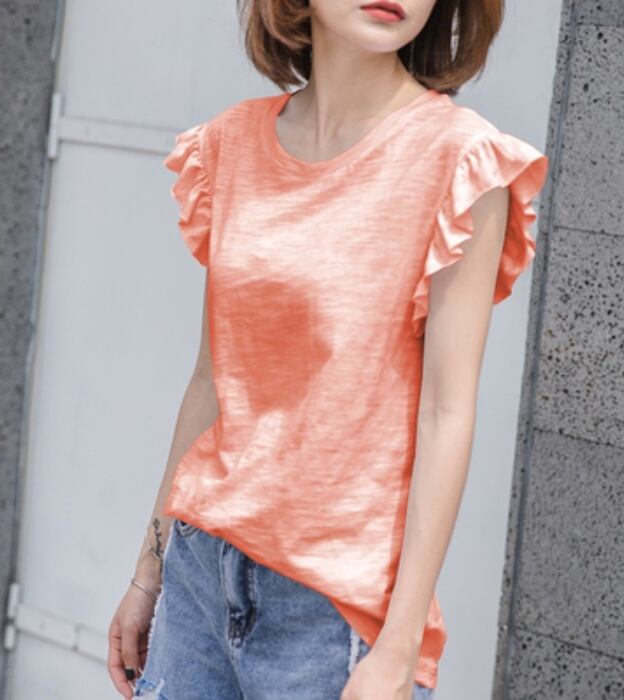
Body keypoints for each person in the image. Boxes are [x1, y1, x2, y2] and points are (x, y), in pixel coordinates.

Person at [107, 0, 549, 698]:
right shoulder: (230, 144)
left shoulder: (461, 161)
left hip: (331, 614)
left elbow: (446, 413)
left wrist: (400, 647)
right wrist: (148, 571)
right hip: (199, 575)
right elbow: (212, 381)